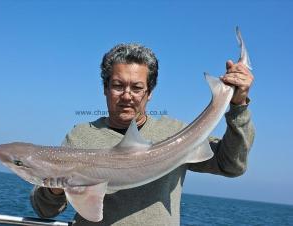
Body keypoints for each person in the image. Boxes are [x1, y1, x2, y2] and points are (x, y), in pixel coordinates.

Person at [30, 43, 255, 226]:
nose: (127, 96)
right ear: (105, 89)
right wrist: (55, 188)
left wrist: (239, 105)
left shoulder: (175, 134)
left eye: (137, 88)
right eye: (118, 85)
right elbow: (44, 210)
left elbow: (232, 165)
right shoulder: (80, 137)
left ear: (150, 93)